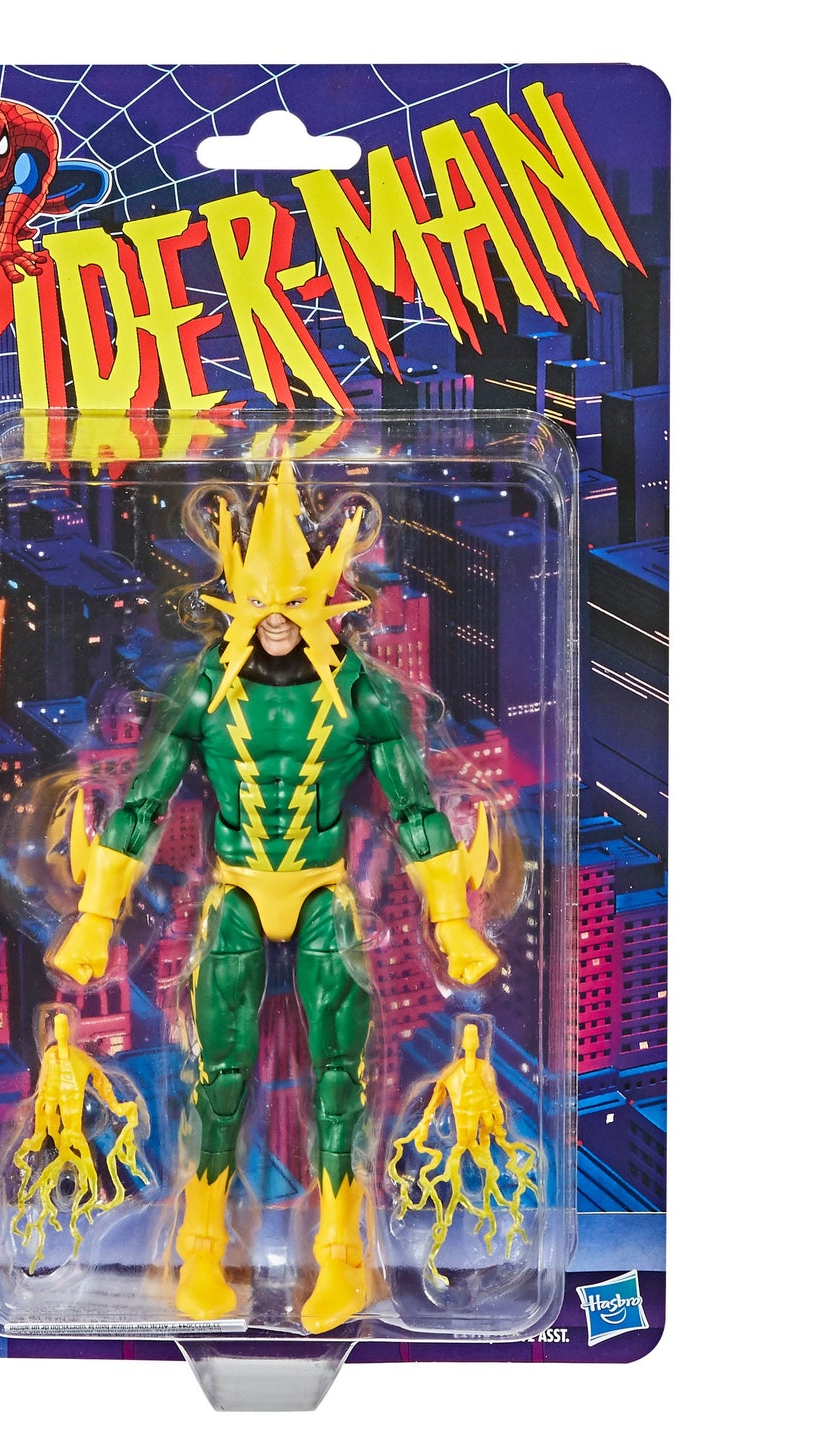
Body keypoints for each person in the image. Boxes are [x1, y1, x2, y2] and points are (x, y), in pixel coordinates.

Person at [55, 460, 497, 1333]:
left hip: (325, 890)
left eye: (294, 601)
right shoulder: (203, 689)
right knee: (217, 1076)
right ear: (236, 600)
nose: (278, 618)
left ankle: (341, 1258)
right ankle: (198, 1249)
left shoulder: (363, 692)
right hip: (236, 890)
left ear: (323, 600)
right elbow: (142, 801)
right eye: (261, 602)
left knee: (340, 1080)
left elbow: (412, 806)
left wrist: (451, 921)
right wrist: (94, 918)